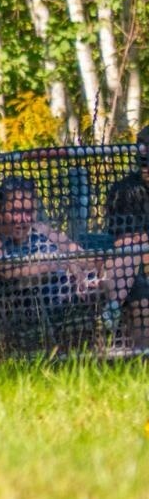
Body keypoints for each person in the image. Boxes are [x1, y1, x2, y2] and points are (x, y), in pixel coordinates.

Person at [0, 176, 105, 352]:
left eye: (28, 211)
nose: (22, 219)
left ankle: (116, 321)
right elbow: (9, 272)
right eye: (15, 211)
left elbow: (78, 253)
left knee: (121, 268)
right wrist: (63, 263)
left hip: (77, 292)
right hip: (37, 308)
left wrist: (95, 266)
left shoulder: (41, 230)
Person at [101, 126, 149, 349]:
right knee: (141, 297)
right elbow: (126, 243)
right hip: (135, 268)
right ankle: (142, 360)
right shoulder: (126, 191)